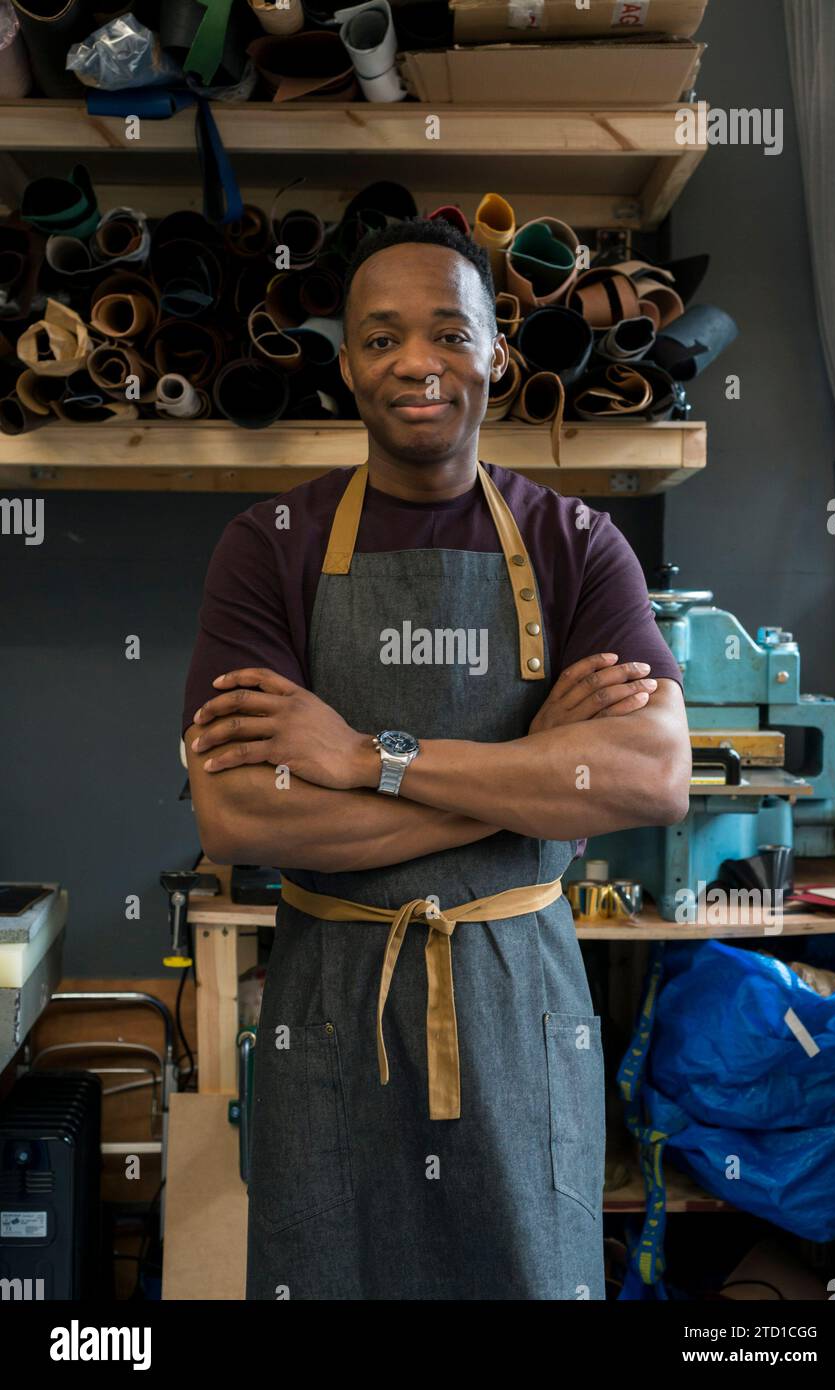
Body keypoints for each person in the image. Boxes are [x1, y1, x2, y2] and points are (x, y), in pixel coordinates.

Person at [182, 217, 691, 1301]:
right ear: (349, 363)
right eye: (380, 338)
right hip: (332, 1006)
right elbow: (237, 816)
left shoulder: (576, 543)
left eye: (448, 332)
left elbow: (653, 776)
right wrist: (538, 776)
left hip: (518, 1001)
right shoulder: (266, 543)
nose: (417, 361)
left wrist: (366, 755)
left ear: (495, 354)